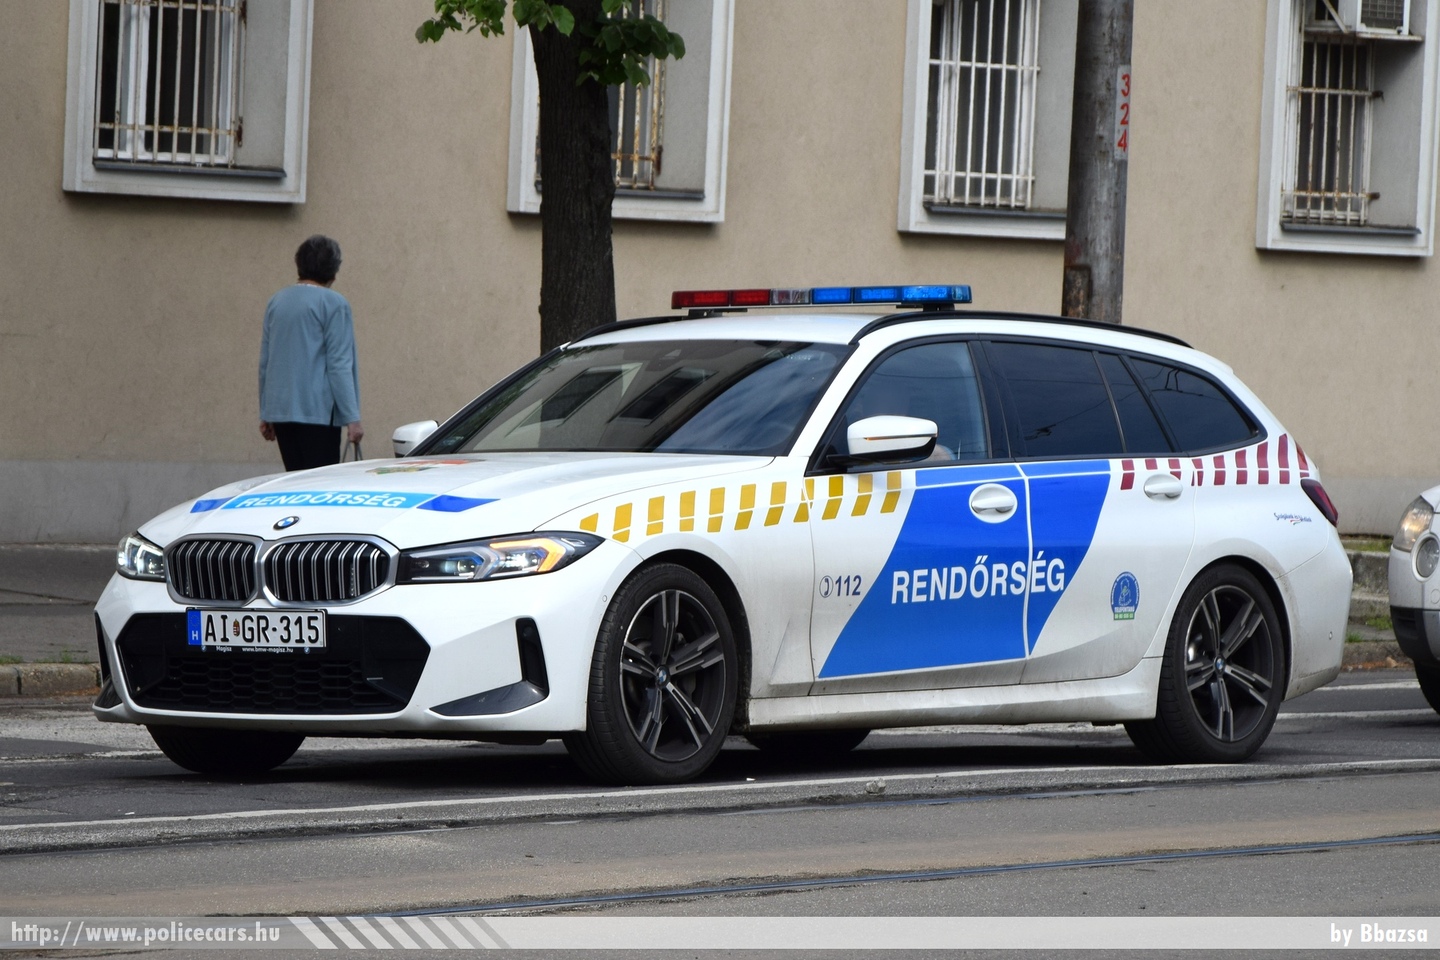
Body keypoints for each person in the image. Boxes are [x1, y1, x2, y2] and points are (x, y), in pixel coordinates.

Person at [258, 235, 364, 471]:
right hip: (318, 412)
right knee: (321, 481)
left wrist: (266, 411)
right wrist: (352, 418)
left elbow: (266, 361)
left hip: (282, 411)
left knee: (295, 479)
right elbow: (338, 364)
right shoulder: (334, 304)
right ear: (333, 270)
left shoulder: (277, 301)